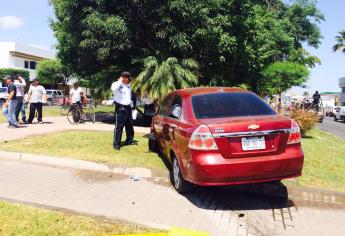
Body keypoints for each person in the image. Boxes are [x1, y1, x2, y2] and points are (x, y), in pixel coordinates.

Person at [111, 71, 136, 150]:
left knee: (129, 125)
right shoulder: (116, 84)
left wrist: (132, 106)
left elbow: (128, 98)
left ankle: (129, 140)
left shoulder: (128, 86)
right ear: (124, 78)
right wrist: (120, 80)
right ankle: (116, 144)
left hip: (128, 108)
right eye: (128, 78)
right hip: (120, 108)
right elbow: (113, 89)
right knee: (119, 127)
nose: (129, 80)